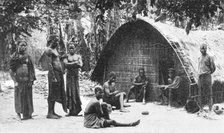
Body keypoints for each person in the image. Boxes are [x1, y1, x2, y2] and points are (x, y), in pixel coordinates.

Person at [9, 39, 36, 120]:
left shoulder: (28, 57)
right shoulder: (14, 57)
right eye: (21, 45)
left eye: (24, 45)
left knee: (28, 97)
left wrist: (31, 80)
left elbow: (31, 69)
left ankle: (27, 114)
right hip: (19, 80)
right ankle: (18, 114)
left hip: (27, 80)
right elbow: (11, 70)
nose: (23, 47)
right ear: (18, 46)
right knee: (18, 97)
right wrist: (15, 81)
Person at [44, 35, 67, 119]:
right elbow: (50, 64)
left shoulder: (55, 49)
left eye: (58, 41)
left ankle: (53, 111)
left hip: (58, 73)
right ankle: (49, 113)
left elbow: (57, 60)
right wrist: (53, 76)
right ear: (51, 41)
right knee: (52, 92)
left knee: (56, 92)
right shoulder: (48, 50)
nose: (57, 43)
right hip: (53, 74)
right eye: (55, 41)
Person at [63, 43, 83, 116]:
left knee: (76, 92)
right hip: (69, 77)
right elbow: (66, 65)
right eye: (70, 48)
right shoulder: (66, 56)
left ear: (75, 49)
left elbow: (80, 64)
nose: (71, 49)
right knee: (69, 92)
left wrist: (71, 64)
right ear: (68, 49)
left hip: (75, 77)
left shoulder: (78, 56)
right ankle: (71, 110)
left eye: (73, 48)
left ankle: (76, 110)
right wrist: (75, 63)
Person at [198, 44, 216, 112]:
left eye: (204, 48)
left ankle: (210, 110)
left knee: (209, 93)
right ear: (200, 50)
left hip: (207, 76)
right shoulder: (199, 58)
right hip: (201, 76)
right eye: (202, 49)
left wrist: (208, 73)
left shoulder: (209, 57)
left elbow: (213, 68)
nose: (203, 50)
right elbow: (199, 67)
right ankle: (201, 109)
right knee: (201, 93)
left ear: (206, 49)